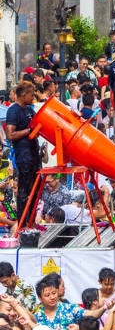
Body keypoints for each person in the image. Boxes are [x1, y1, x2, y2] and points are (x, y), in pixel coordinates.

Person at [6, 82, 41, 224]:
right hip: (24, 156)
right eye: (32, 95)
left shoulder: (29, 110)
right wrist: (28, 131)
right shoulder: (13, 110)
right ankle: (22, 223)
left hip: (34, 155)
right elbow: (9, 135)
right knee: (24, 192)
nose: (33, 98)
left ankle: (31, 221)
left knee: (35, 192)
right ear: (24, 95)